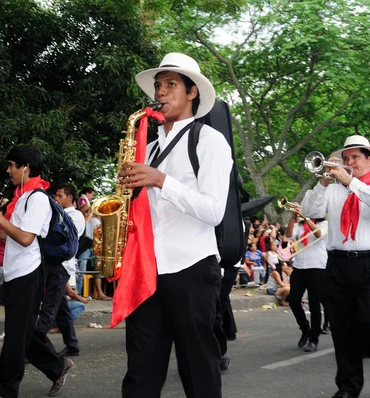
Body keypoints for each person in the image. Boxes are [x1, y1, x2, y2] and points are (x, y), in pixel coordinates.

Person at [117, 52, 232, 397]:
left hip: (193, 270)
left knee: (199, 372)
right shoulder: (147, 149)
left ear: (192, 92)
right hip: (146, 272)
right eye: (158, 86)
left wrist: (161, 181)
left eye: (170, 85)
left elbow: (213, 211)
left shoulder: (210, 142)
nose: (160, 93)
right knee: (140, 374)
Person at [302, 135, 370, 398]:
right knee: (342, 328)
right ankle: (348, 386)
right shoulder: (333, 188)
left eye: (355, 157)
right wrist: (323, 181)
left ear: (369, 160)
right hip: (338, 263)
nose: (349, 162)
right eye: (345, 158)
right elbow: (309, 210)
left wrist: (351, 182)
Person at [0, 145, 74, 398]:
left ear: (25, 168)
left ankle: (6, 390)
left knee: (15, 338)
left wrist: (1, 219)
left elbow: (25, 238)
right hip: (13, 273)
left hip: (28, 273)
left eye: (12, 165)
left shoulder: (37, 198)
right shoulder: (21, 197)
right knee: (24, 333)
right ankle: (58, 367)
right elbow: (17, 235)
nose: (8, 170)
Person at [38, 183, 85, 358]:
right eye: (55, 196)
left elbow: (63, 237)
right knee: (61, 308)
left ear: (70, 198)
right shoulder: (57, 214)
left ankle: (33, 346)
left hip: (62, 265)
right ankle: (72, 344)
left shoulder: (76, 215)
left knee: (49, 306)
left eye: (60, 196)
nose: (56, 199)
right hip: (52, 262)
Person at [285, 207, 328, 353]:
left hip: (317, 267)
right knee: (293, 300)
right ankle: (305, 329)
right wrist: (292, 218)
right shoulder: (299, 225)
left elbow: (318, 234)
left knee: (314, 304)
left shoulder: (325, 224)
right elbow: (288, 235)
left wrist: (306, 218)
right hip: (299, 266)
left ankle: (314, 339)